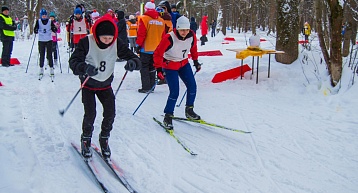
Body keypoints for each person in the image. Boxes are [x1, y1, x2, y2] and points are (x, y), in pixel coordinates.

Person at [69, 15, 141, 159]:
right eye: (104, 38)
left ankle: (104, 139)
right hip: (88, 84)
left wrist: (133, 62)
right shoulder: (86, 42)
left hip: (105, 85)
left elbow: (133, 57)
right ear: (97, 35)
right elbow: (73, 62)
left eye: (110, 38)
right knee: (90, 114)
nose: (108, 41)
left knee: (110, 113)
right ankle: (86, 139)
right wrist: (84, 67)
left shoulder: (116, 42)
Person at [153, 16, 202, 130]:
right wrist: (159, 69)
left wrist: (195, 61)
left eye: (186, 30)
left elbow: (193, 49)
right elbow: (158, 53)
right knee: (175, 92)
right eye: (182, 30)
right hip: (170, 66)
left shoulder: (191, 36)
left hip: (184, 64)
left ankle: (189, 110)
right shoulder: (169, 38)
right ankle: (168, 116)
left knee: (192, 86)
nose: (184, 32)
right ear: (177, 29)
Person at [136, 1, 165, 93]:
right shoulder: (161, 20)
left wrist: (138, 45)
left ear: (146, 9)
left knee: (144, 67)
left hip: (146, 48)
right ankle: (152, 86)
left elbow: (141, 34)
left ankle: (146, 87)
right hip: (157, 48)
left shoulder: (144, 19)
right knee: (153, 67)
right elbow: (163, 35)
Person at [34, 8, 57, 76]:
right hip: (41, 40)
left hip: (49, 40)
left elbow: (53, 28)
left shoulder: (50, 21)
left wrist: (54, 29)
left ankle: (51, 68)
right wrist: (35, 30)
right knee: (42, 54)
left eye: (45, 15)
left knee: (49, 55)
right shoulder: (38, 21)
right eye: (43, 15)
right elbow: (35, 29)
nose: (44, 16)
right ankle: (41, 68)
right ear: (41, 16)